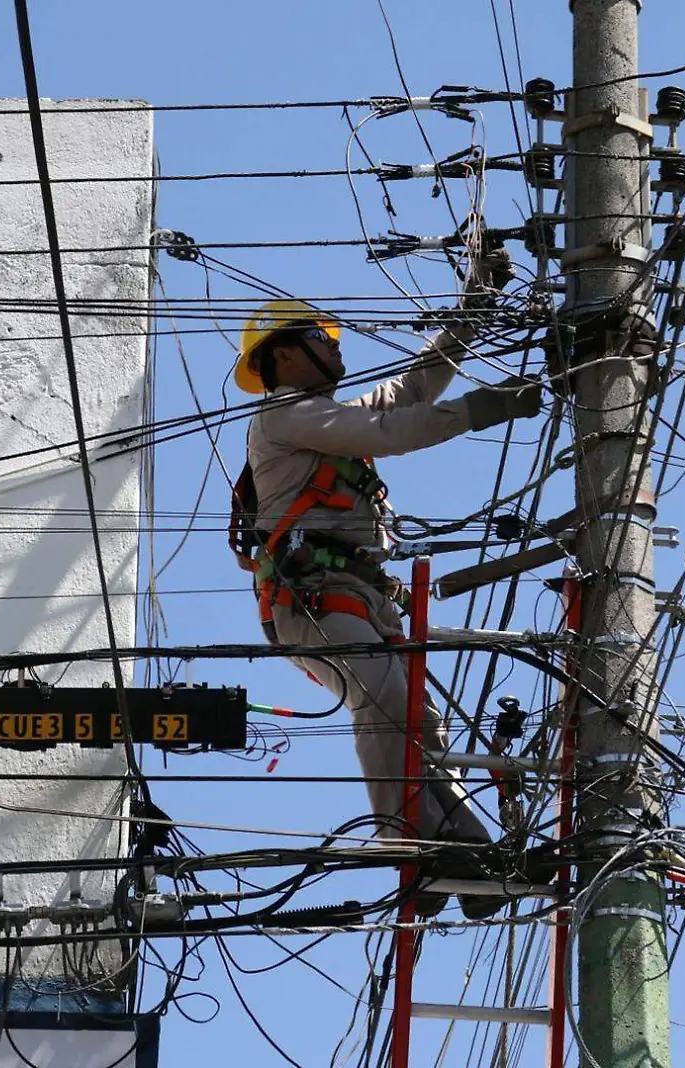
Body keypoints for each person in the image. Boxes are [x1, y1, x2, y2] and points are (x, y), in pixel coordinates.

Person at [229, 271, 543, 917]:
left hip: (355, 598)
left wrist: (471, 315)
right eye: (323, 337)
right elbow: (393, 431)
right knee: (383, 699)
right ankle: (409, 845)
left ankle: (468, 854)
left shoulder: (325, 419)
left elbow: (412, 390)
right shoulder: (285, 416)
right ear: (285, 353)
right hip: (312, 598)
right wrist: (488, 407)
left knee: (422, 723)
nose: (337, 349)